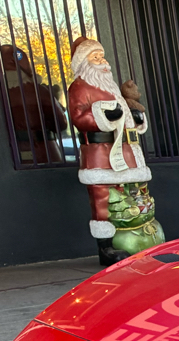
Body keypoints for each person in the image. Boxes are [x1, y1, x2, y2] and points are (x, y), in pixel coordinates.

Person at [67, 37, 164, 264]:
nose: (101, 61)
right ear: (84, 61)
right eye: (95, 57)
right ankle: (106, 247)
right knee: (103, 197)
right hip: (100, 152)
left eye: (101, 55)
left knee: (134, 190)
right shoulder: (80, 87)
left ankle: (142, 233)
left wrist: (136, 118)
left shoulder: (110, 86)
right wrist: (102, 115)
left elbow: (126, 115)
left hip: (126, 149)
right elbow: (79, 117)